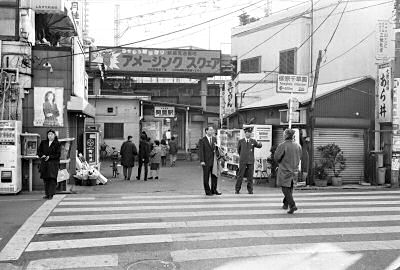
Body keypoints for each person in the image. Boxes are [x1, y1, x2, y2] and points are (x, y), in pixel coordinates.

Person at [274, 128, 302, 214]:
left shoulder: (283, 145)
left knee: (285, 188)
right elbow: (300, 157)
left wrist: (280, 163)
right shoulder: (298, 146)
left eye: (283, 134)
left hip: (285, 170)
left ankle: (292, 205)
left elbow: (276, 157)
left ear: (286, 135)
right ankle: (285, 204)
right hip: (294, 170)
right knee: (290, 188)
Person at [235, 127, 262, 194]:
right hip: (243, 161)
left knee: (250, 176)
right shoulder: (241, 141)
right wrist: (242, 156)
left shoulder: (253, 141)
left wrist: (260, 144)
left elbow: (258, 146)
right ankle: (237, 189)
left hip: (250, 161)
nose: (249, 134)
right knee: (240, 175)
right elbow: (238, 150)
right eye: (247, 133)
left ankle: (250, 190)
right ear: (245, 133)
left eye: (250, 133)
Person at [37, 129, 61, 200]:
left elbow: (58, 154)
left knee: (52, 179)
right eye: (49, 134)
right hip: (44, 163)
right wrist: (42, 155)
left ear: (54, 135)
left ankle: (51, 194)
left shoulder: (57, 143)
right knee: (46, 179)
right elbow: (39, 151)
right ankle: (47, 194)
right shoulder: (43, 142)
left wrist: (50, 157)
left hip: (53, 164)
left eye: (52, 134)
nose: (50, 136)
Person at [199, 126, 222, 196]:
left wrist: (219, 156)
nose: (212, 131)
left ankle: (214, 190)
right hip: (206, 161)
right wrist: (202, 160)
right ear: (206, 131)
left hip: (214, 161)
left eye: (213, 130)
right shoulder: (202, 140)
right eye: (210, 130)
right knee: (206, 177)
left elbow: (216, 149)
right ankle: (207, 191)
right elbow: (201, 151)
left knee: (214, 176)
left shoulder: (214, 139)